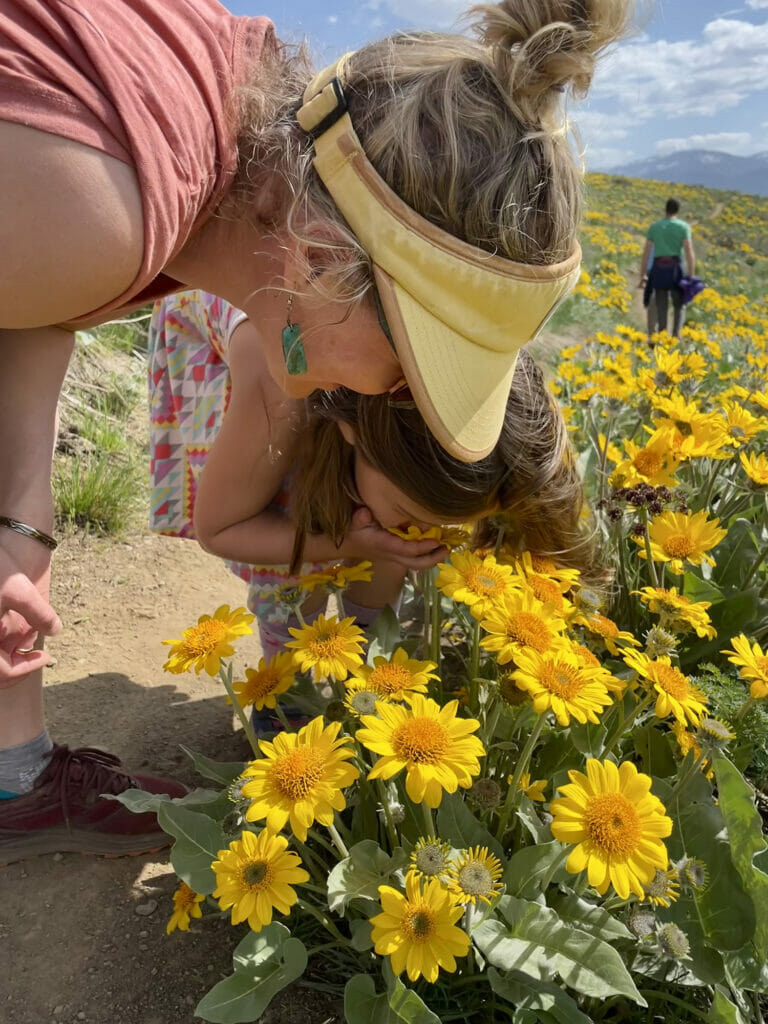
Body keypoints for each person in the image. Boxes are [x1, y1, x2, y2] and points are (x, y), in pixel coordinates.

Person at [0, 0, 633, 861]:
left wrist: (18, 522)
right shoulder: (108, 215)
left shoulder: (211, 120)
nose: (392, 402)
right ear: (322, 263)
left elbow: (34, 316)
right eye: (413, 374)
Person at [149, 290, 592, 661]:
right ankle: (282, 681)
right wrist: (350, 541)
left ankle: (368, 655)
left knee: (390, 534)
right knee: (294, 521)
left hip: (344, 326)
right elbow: (223, 529)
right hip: (239, 320)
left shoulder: (485, 391)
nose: (425, 532)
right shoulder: (282, 389)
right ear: (351, 430)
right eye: (408, 509)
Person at [639, 198, 696, 339]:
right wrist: (692, 275)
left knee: (661, 306)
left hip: (659, 270)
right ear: (678, 210)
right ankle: (676, 336)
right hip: (676, 269)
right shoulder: (683, 227)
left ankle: (662, 337)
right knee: (679, 304)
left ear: (666, 209)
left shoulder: (655, 227)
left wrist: (642, 274)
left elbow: (646, 253)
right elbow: (689, 252)